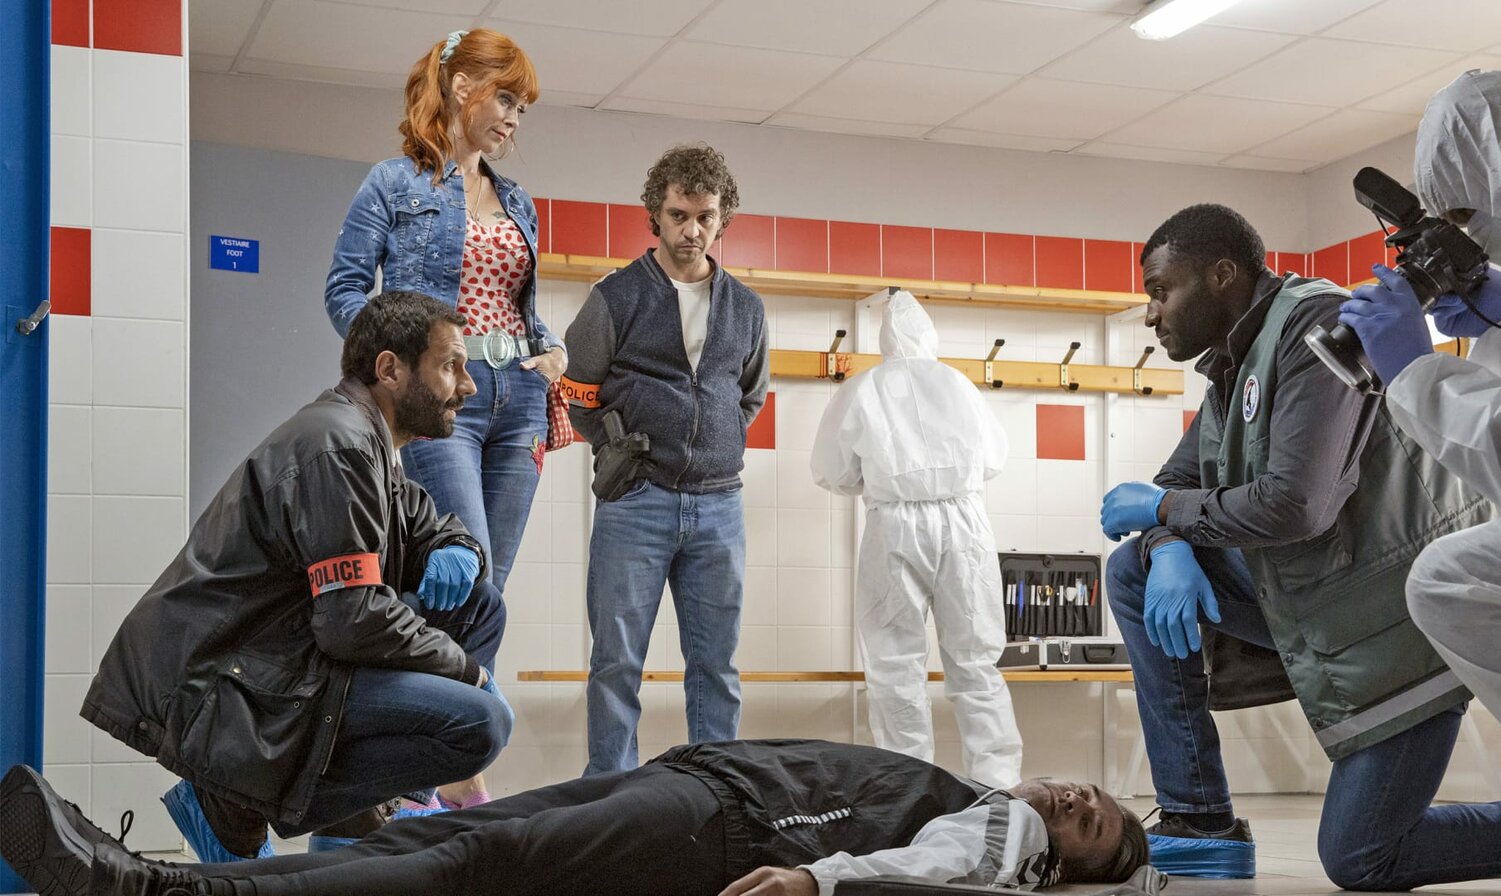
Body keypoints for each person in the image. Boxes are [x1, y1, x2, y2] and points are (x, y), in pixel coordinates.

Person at [1098, 204, 1501, 889]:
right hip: (1331, 604)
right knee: (1135, 566)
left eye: (1160, 290)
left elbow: (1297, 505)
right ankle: (1198, 821)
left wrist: (1161, 513)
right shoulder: (1237, 365)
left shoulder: (1314, 326)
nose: (1151, 314)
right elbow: (1176, 483)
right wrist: (1169, 544)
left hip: (1402, 622)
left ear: (1221, 275)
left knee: (1362, 858)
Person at [79, 292, 513, 864]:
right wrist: (468, 671)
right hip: (227, 683)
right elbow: (351, 620)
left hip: (285, 660)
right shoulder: (339, 447)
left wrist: (457, 547)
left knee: (481, 606)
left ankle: (350, 823)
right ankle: (232, 801)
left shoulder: (371, 444)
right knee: (480, 723)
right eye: (451, 365)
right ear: (390, 369)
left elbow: (426, 524)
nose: (469, 386)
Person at [0, 739, 1150, 896]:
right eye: (1088, 793)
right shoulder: (980, 794)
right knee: (433, 843)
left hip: (722, 820)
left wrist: (820, 879)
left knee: (469, 855)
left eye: (1088, 826)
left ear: (1064, 863)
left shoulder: (1006, 839)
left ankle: (144, 886)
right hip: (701, 785)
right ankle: (157, 879)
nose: (1074, 802)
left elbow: (935, 869)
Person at [1337, 70, 1501, 754]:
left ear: (1498, 167)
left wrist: (1411, 371)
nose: (1473, 243)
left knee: (1452, 581)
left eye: (1461, 218)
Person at [325, 27, 565, 613]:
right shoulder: (393, 182)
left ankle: (449, 674)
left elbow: (520, 305)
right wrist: (397, 366)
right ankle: (423, 667)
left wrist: (554, 350)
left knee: (489, 591)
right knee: (469, 576)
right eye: (505, 99)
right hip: (443, 394)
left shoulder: (519, 201)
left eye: (521, 108)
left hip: (522, 398)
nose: (514, 119)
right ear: (462, 87)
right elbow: (344, 290)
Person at [562, 144, 770, 775]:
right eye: (679, 215)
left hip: (720, 505)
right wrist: (616, 448)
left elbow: (749, 396)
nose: (692, 230)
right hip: (636, 502)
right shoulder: (615, 296)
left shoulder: (747, 308)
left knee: (716, 665)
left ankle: (716, 789)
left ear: (722, 218)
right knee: (616, 662)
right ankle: (611, 793)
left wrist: (713, 442)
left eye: (705, 217)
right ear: (656, 213)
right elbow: (577, 391)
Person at [809, 289, 1022, 786]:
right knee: (976, 660)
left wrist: (883, 478)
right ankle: (1000, 784)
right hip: (965, 523)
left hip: (895, 523)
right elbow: (994, 458)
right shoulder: (958, 383)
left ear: (885, 339)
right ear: (930, 336)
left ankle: (908, 785)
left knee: (894, 662)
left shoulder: (863, 388)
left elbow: (832, 471)